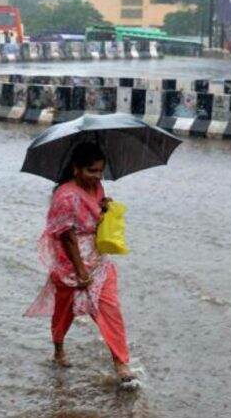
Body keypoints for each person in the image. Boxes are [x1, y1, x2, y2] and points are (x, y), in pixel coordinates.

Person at [25, 142, 137, 384]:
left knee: (110, 309)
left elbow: (95, 211)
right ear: (76, 169)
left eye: (100, 171)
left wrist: (104, 205)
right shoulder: (65, 196)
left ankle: (121, 363)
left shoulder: (96, 186)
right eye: (91, 171)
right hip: (71, 263)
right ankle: (58, 349)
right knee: (64, 312)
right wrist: (80, 271)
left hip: (97, 258)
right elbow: (66, 236)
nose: (97, 176)